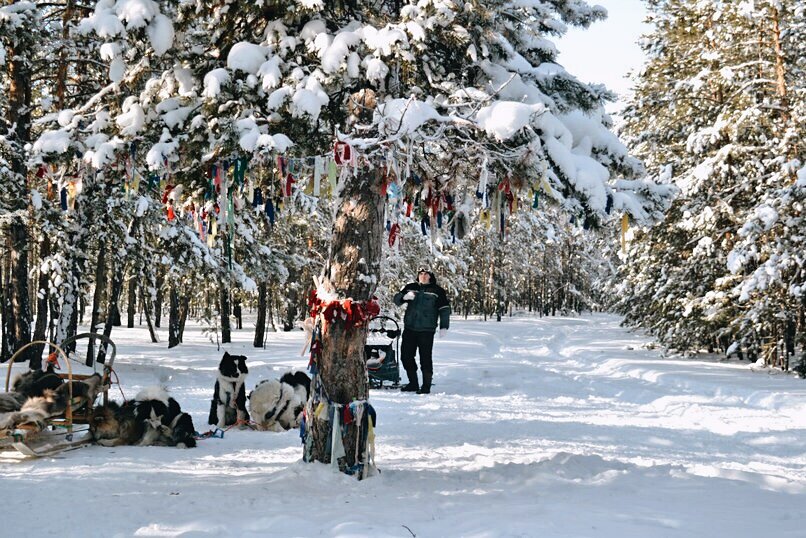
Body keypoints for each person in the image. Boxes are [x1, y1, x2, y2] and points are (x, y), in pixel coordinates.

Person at [393, 267, 451, 394]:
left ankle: (426, 386)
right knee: (406, 356)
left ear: (430, 276)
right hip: (410, 328)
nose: (423, 276)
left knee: (425, 358)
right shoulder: (411, 286)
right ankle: (413, 383)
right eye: (421, 274)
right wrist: (404, 297)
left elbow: (444, 309)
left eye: (426, 274)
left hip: (427, 330)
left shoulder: (437, 291)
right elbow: (396, 300)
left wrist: (444, 326)